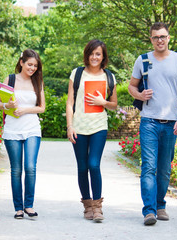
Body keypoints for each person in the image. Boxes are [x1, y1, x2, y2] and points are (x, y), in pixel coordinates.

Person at [128, 22, 177, 225]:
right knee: (148, 166)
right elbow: (131, 86)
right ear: (151, 39)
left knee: (164, 168)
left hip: (171, 122)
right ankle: (149, 211)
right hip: (149, 121)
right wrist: (140, 94)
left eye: (163, 36)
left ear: (169, 37)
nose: (160, 40)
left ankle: (160, 205)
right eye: (156, 37)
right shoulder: (143, 60)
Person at [66, 39, 118, 222]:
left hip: (99, 127)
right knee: (82, 167)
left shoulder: (109, 77)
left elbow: (114, 105)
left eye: (98, 54)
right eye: (92, 53)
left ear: (103, 56)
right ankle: (87, 206)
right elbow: (70, 102)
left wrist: (103, 103)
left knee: (93, 165)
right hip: (79, 127)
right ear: (87, 54)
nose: (94, 57)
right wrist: (70, 126)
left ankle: (97, 208)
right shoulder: (77, 73)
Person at [0, 49, 45, 219]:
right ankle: (18, 208)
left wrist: (25, 110)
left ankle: (29, 205)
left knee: (30, 167)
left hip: (32, 128)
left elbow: (42, 108)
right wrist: (8, 105)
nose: (32, 68)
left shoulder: (37, 82)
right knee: (16, 170)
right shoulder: (11, 79)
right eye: (30, 64)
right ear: (21, 62)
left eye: (35, 66)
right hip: (12, 130)